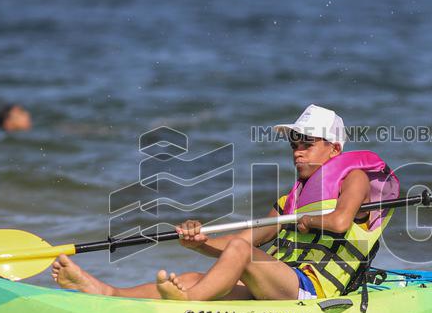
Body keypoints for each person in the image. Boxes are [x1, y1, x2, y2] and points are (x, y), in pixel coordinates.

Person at [52, 104, 399, 301]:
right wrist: (200, 244)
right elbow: (242, 246)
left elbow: (340, 222)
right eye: (294, 141)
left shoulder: (355, 178)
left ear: (335, 149)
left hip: (313, 289)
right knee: (190, 275)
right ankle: (107, 291)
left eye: (308, 142)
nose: (298, 148)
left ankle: (188, 308)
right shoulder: (289, 201)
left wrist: (305, 222)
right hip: (278, 280)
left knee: (233, 256)